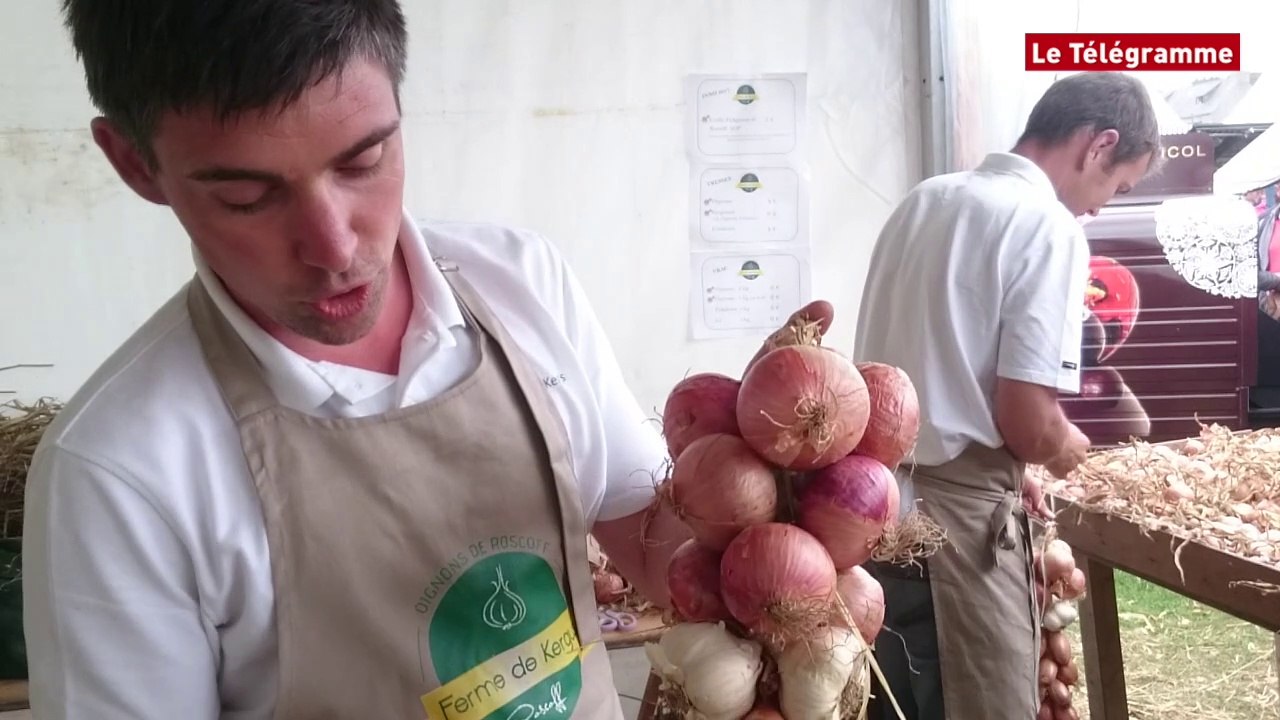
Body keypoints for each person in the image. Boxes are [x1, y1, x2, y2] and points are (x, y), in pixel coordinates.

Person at [21, 2, 724, 717]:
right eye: (246, 197)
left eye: (364, 160)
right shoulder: (117, 470)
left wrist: (773, 555)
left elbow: (642, 525)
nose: (334, 247)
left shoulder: (521, 283)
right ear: (135, 164)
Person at [854, 72, 1160, 720]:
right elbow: (1026, 419)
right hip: (954, 537)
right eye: (1117, 184)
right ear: (1097, 145)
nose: (1102, 206)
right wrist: (1078, 453)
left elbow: (928, 374)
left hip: (868, 514)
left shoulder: (923, 201)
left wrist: (1011, 469)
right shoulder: (1047, 226)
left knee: (887, 705)